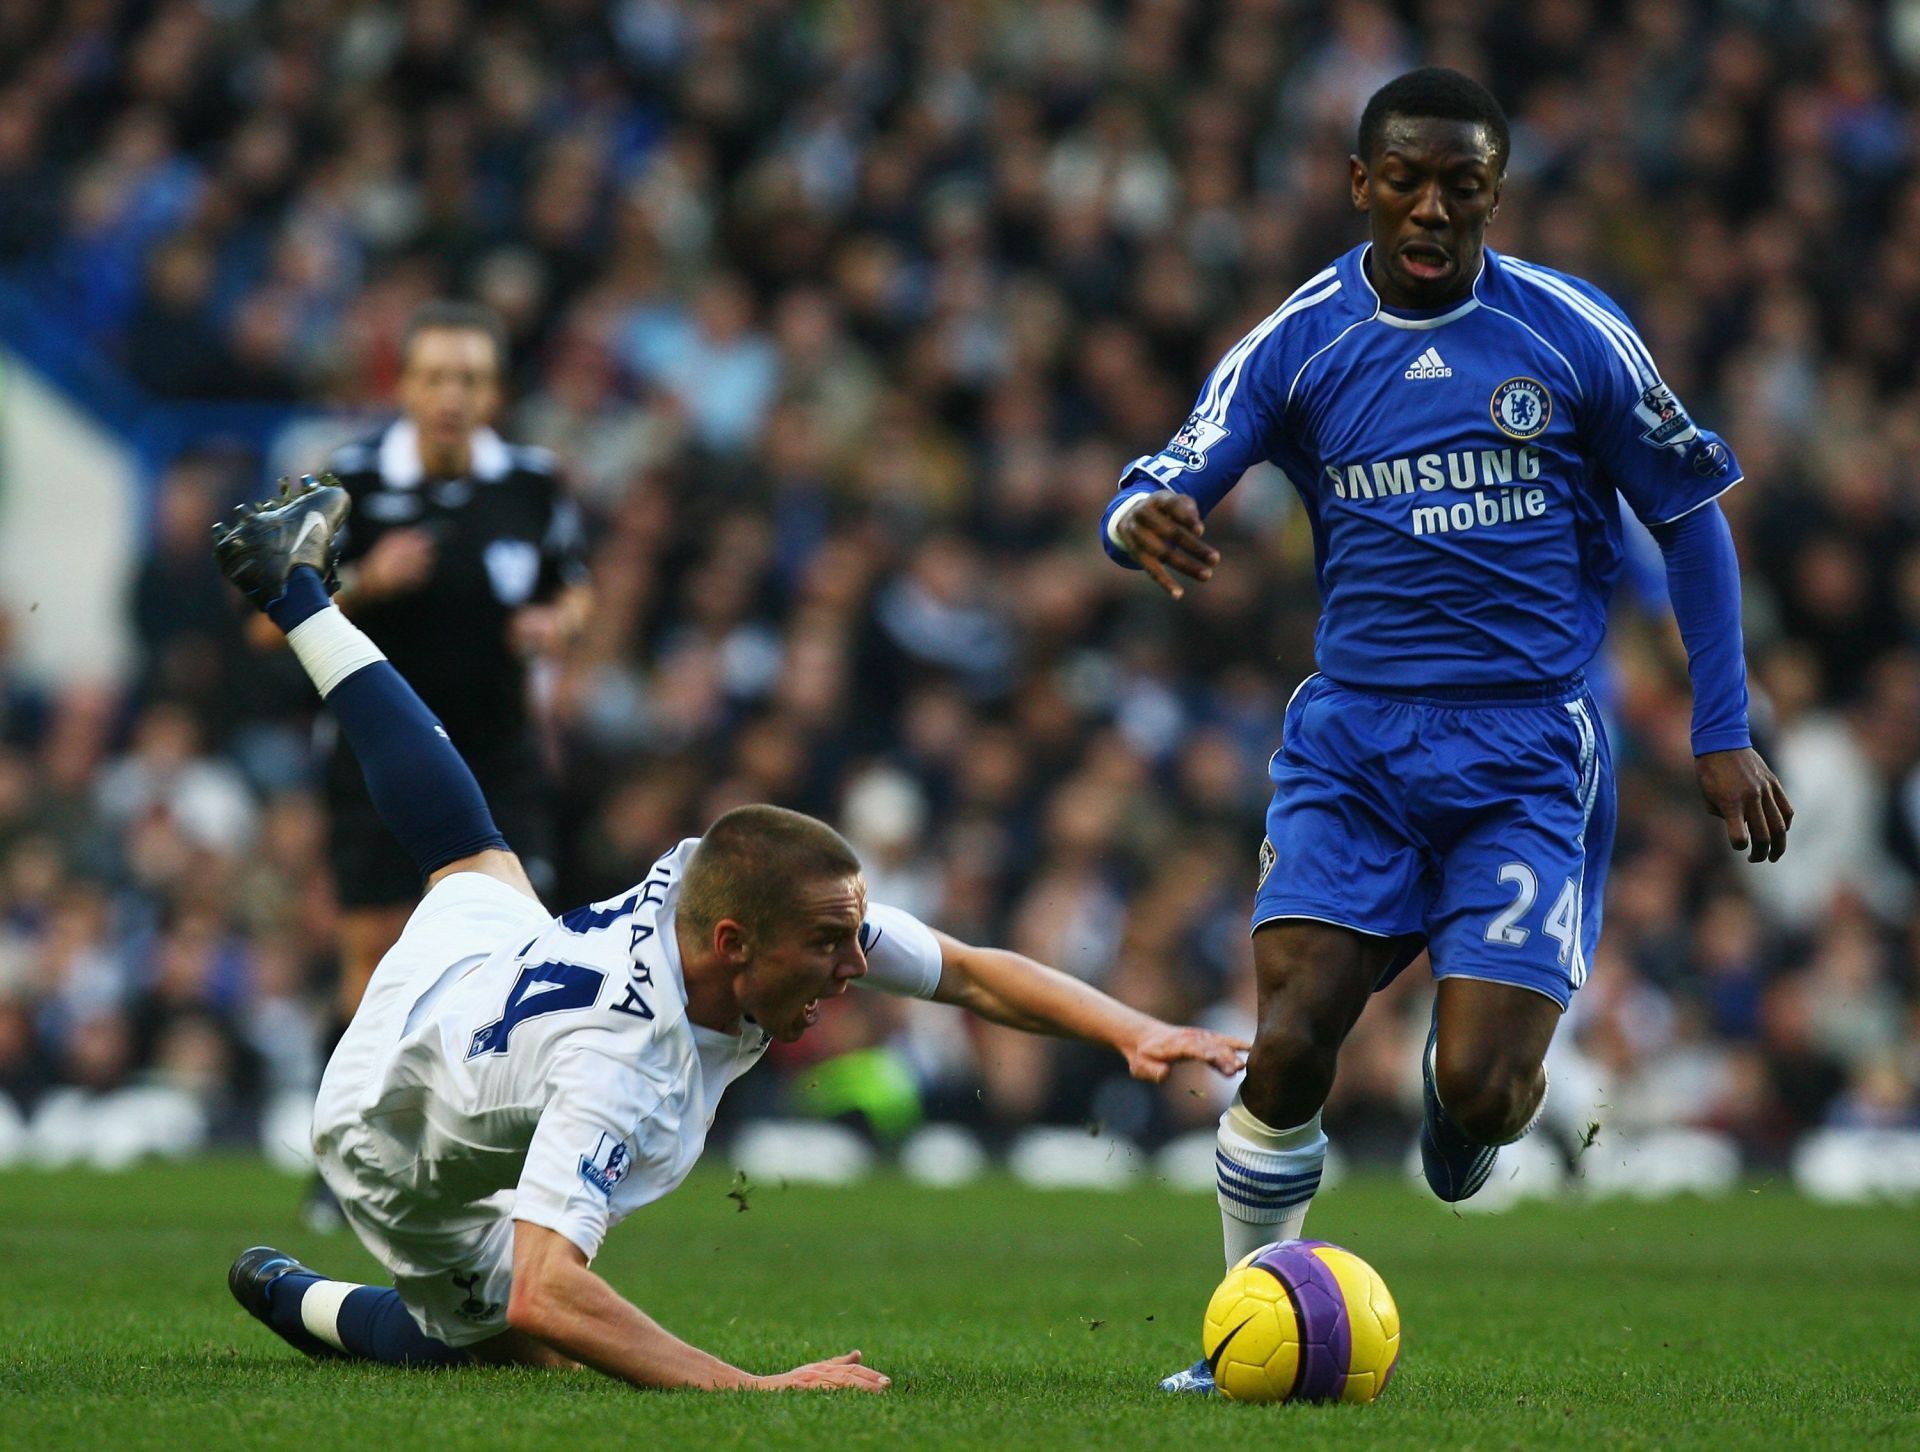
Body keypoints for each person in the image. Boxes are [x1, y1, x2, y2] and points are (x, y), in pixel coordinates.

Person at [213, 479, 1247, 1391]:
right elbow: (543, 1289)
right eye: (831, 949)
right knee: (524, 1349)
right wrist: (750, 1389)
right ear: (731, 946)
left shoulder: (738, 888)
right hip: (388, 1127)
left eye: (852, 940)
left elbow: (970, 975)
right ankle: (297, 1293)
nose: (855, 968)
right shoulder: (627, 1065)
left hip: (474, 968)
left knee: (473, 856)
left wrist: (1128, 1029)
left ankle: (296, 589)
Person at [1098, 69, 1794, 1393]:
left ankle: (1459, 1103)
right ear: (1359, 183)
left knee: (1482, 1090)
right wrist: (1137, 522)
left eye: (1460, 184)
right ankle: (1235, 1326)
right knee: (1293, 1030)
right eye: (1405, 178)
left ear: (1495, 189)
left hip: (1529, 753)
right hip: (1354, 746)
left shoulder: (1574, 333)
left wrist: (1722, 730)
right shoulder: (1301, 338)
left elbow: (1691, 518)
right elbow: (1165, 472)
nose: (1431, 207)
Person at [281, 300, 591, 1227]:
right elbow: (273, 622)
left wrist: (557, 626)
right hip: (378, 765)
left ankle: (492, 1161)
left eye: (470, 379)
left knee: (520, 956)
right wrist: (367, 583)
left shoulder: (532, 482)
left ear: (495, 391)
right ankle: (335, 1159)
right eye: (434, 378)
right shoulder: (351, 483)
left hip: (498, 759)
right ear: (403, 385)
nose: (452, 397)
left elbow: (575, 587)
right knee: (371, 957)